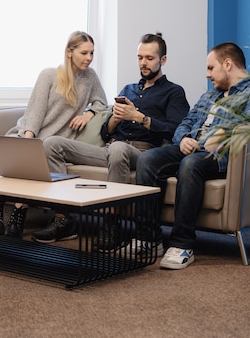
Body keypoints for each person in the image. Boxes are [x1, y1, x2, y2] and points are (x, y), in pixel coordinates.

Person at [32, 32, 190, 246]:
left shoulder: (174, 92)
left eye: (149, 58)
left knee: (118, 150)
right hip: (111, 148)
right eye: (140, 57)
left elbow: (175, 130)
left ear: (163, 60)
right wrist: (114, 120)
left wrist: (140, 118)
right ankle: (64, 218)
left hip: (142, 153)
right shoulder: (129, 90)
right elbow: (106, 133)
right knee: (52, 144)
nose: (143, 63)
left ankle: (111, 223)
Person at [135, 42, 250, 269]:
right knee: (147, 159)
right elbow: (185, 123)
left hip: (222, 154)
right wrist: (183, 139)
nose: (207, 74)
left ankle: (182, 245)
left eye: (211, 68)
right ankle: (149, 239)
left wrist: (223, 131)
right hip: (193, 147)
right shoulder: (209, 97)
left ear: (227, 64)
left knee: (191, 164)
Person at [0, 31, 107, 237]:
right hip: (29, 133)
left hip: (54, 141)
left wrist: (88, 114)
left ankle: (18, 214)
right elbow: (36, 112)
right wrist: (27, 142)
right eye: (84, 52)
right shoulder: (49, 75)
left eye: (92, 53)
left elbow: (101, 102)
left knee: (33, 160)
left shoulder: (90, 77)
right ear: (70, 52)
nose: (89, 58)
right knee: (11, 159)